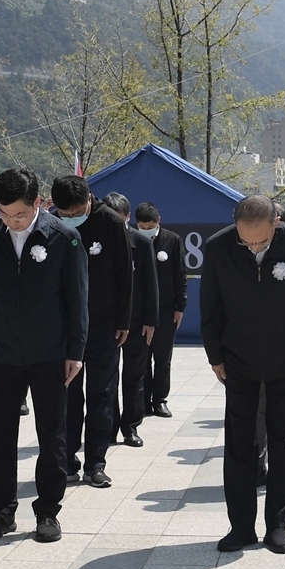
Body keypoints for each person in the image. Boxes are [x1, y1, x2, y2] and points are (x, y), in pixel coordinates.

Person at [0, 167, 88, 543]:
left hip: (50, 353)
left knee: (52, 435)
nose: (11, 221)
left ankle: (48, 511)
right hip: (1, 354)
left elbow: (77, 299)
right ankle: (2, 512)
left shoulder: (64, 237)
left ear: (38, 203)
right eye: (3, 213)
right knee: (1, 436)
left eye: (19, 214)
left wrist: (75, 351)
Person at [201, 195, 285, 554]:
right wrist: (215, 355)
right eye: (246, 240)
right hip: (237, 359)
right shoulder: (220, 248)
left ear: (276, 224)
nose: (253, 246)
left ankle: (278, 526)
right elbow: (210, 305)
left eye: (261, 240)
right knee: (240, 443)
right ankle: (240, 526)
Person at [55, 176, 134, 488]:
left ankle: (96, 463)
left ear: (89, 198)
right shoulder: (53, 223)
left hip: (103, 325)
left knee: (101, 393)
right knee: (67, 395)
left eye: (77, 211)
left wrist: (123, 321)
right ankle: (67, 460)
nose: (72, 217)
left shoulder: (111, 222)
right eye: (66, 213)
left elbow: (125, 275)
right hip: (64, 327)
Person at [101, 191, 158, 448]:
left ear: (127, 216)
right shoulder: (98, 242)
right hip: (107, 322)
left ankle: (131, 426)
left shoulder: (141, 244)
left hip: (136, 322)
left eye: (119, 217)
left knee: (134, 376)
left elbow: (151, 286)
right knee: (107, 378)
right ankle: (109, 425)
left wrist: (150, 320)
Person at [137, 202, 187, 418]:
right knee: (142, 358)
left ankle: (160, 400)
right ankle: (143, 400)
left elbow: (180, 275)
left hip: (166, 309)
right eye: (142, 227)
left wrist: (180, 306)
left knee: (162, 357)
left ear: (158, 221)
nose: (146, 231)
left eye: (149, 227)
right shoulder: (133, 240)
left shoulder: (172, 240)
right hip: (139, 310)